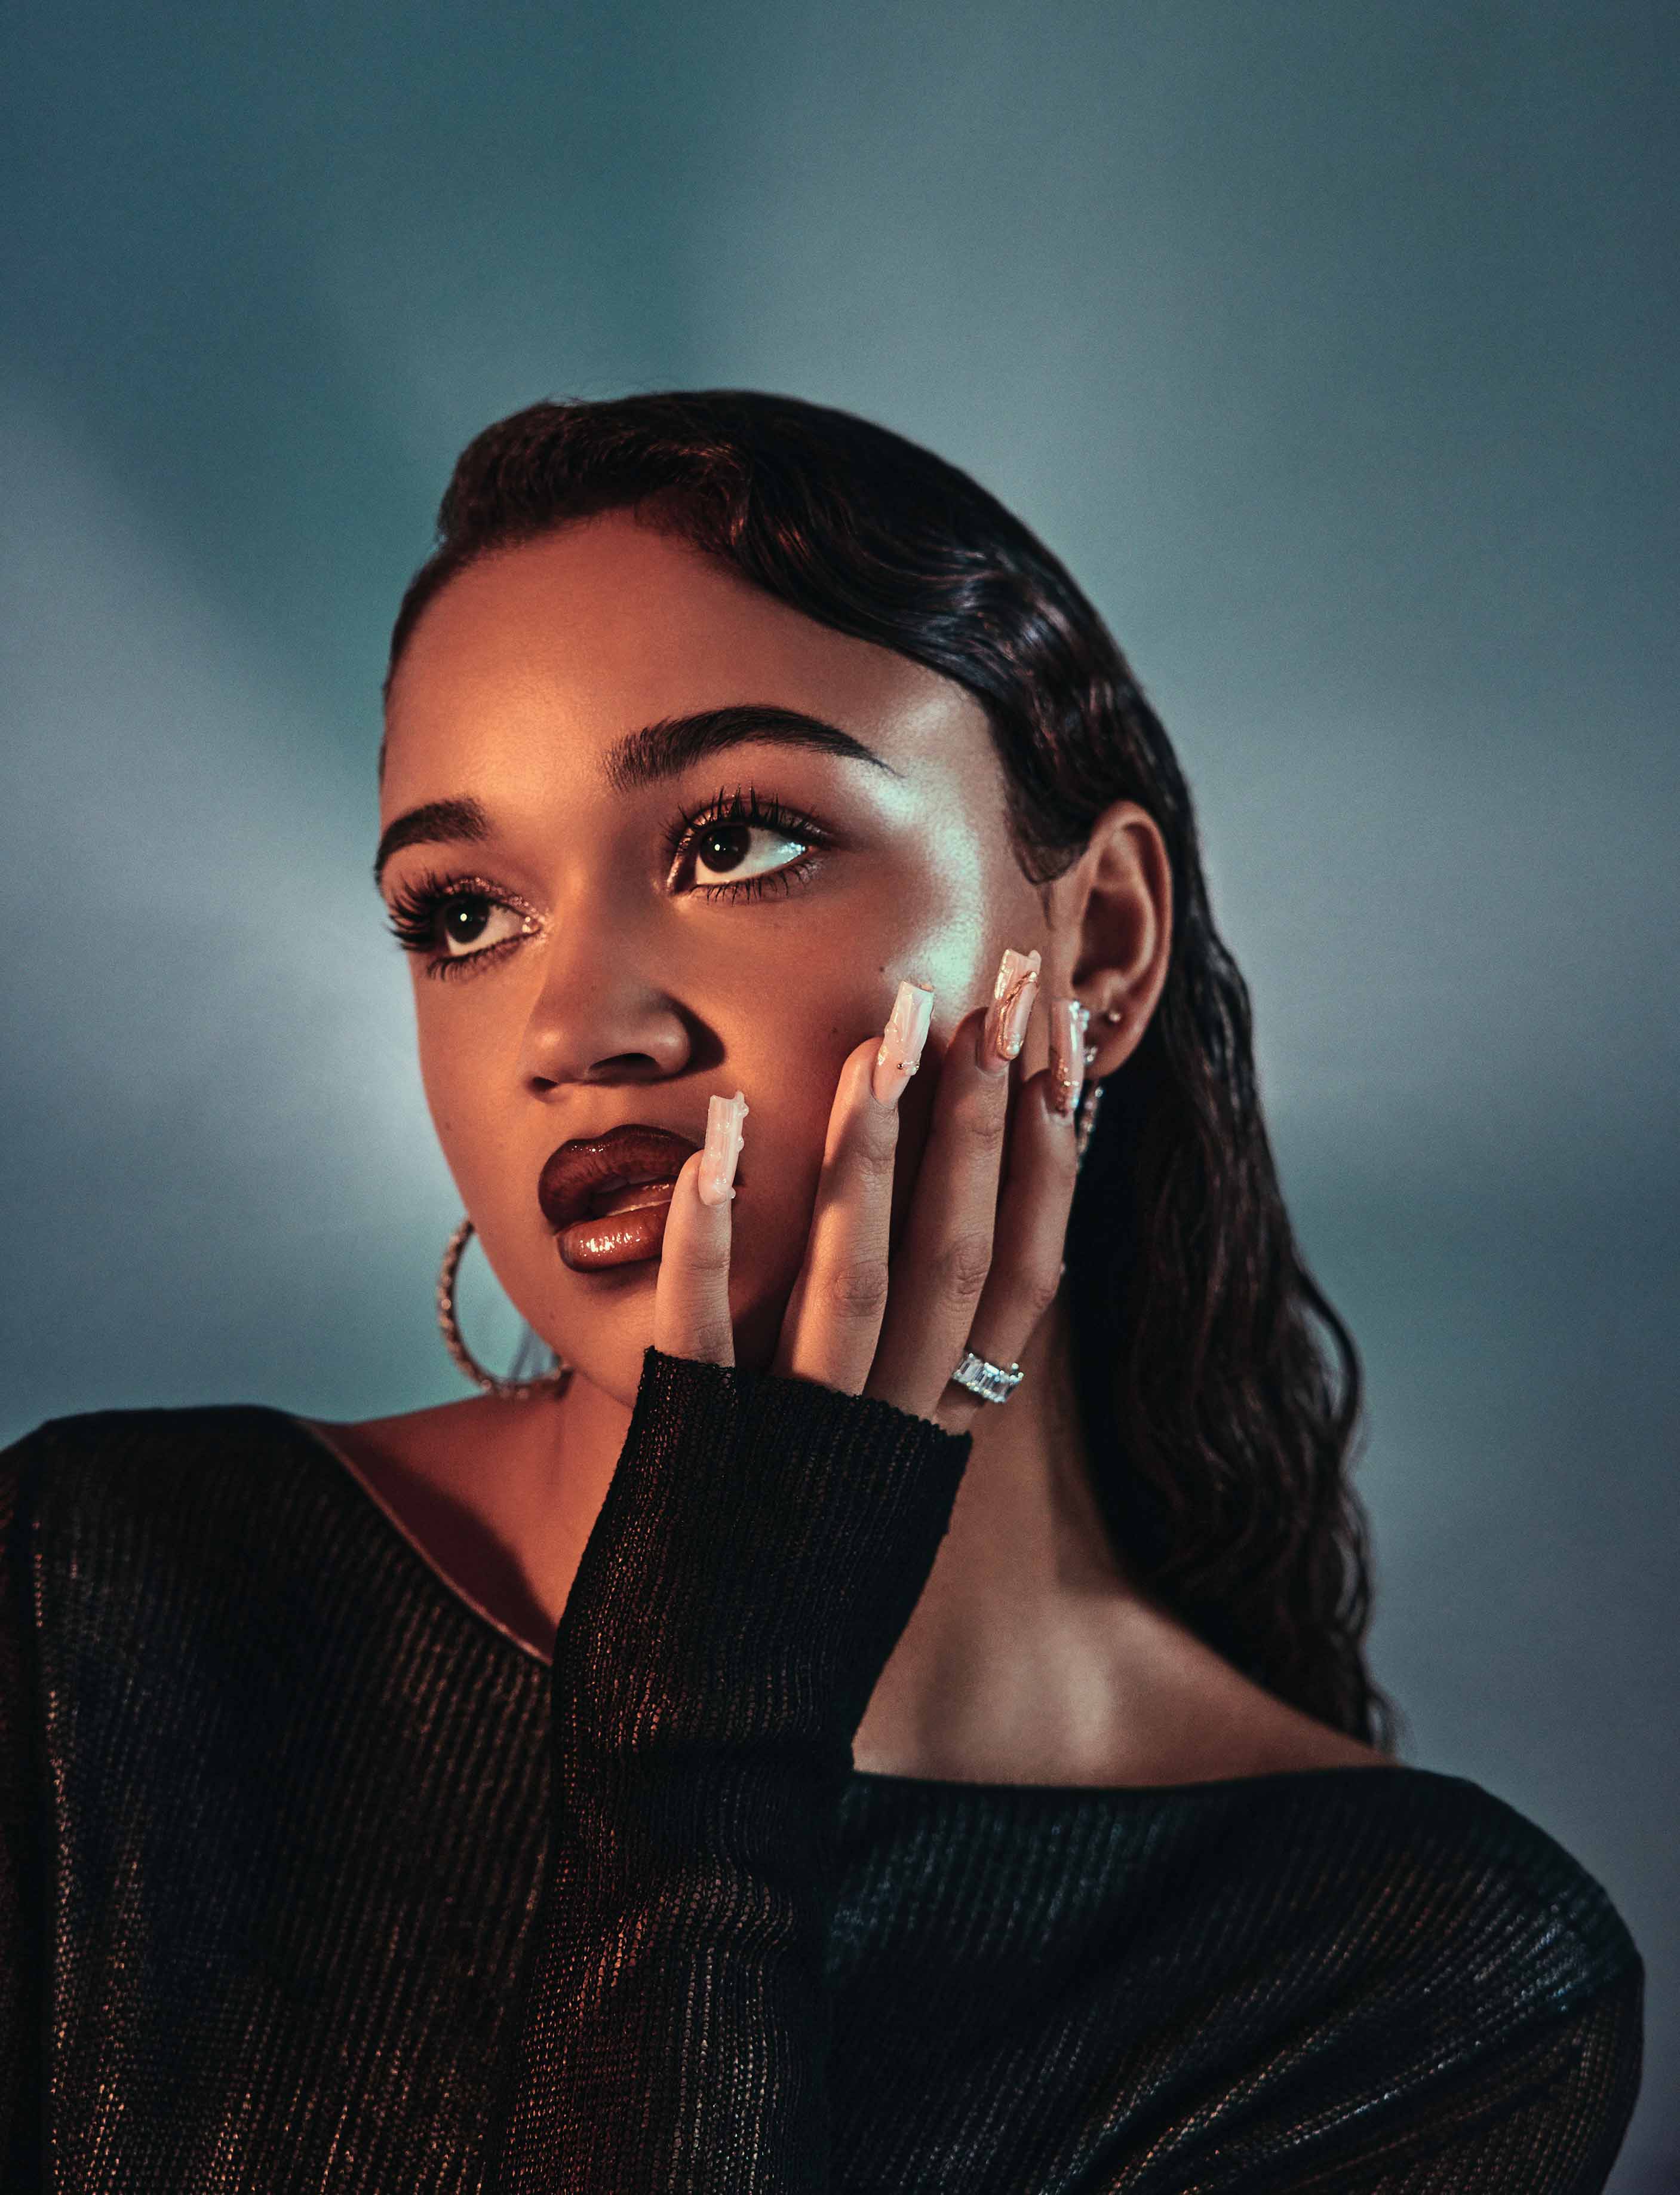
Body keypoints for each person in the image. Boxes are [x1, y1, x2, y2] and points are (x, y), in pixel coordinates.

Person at [0, 391, 1641, 2191]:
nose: (578, 1031)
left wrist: (709, 1749)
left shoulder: (1421, 1984)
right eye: (464, 912)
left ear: (1097, 944)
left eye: (737, 840)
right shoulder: (105, 1602)